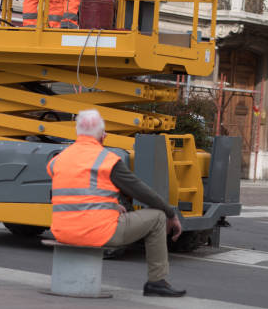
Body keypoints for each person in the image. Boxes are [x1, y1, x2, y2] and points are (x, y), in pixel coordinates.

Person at [46, 109, 186, 297]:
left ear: (78, 133)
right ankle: (157, 282)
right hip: (98, 233)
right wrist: (171, 213)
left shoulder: (58, 160)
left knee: (122, 212)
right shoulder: (107, 160)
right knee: (158, 217)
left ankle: (157, 282)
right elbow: (141, 192)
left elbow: (74, 195)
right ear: (103, 136)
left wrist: (111, 206)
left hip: (62, 231)